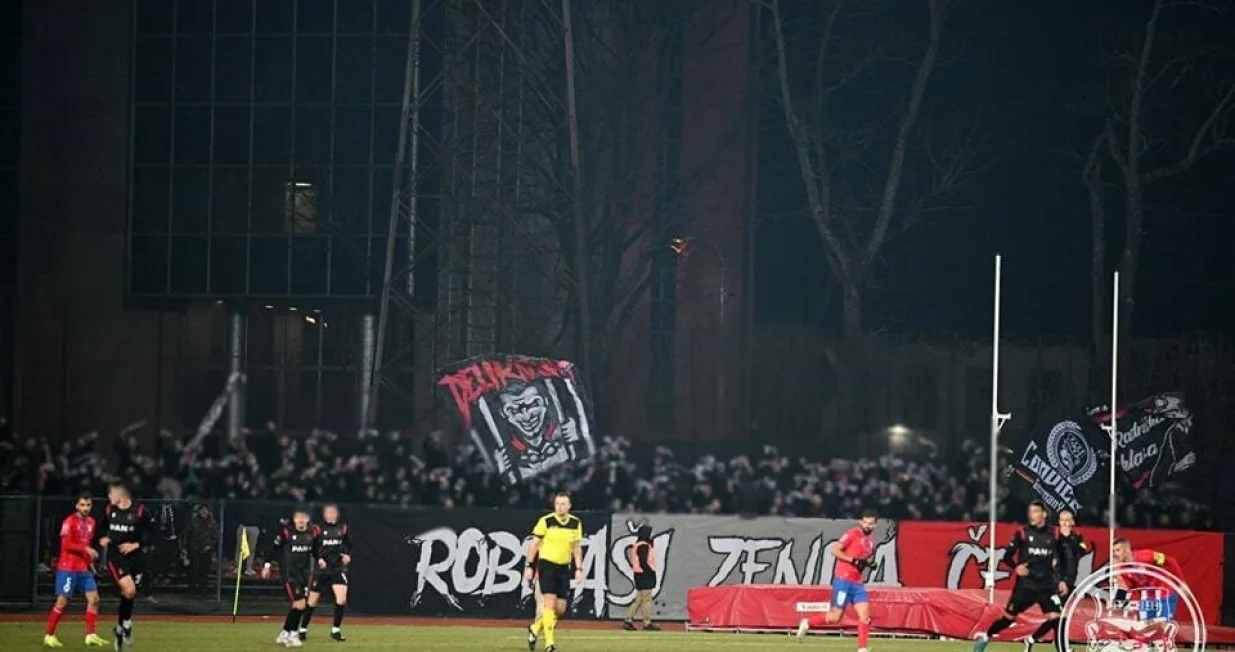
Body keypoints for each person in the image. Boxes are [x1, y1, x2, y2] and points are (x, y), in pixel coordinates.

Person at [974, 500, 1069, 652]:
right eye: (1030, 511)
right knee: (1007, 619)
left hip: (1046, 586)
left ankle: (1060, 648)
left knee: (1058, 618)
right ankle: (986, 636)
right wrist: (1016, 567)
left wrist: (1062, 580)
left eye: (1035, 511)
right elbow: (1006, 556)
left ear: (1044, 514)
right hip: (1026, 585)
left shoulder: (1055, 534)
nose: (1032, 515)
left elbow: (1064, 557)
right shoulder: (1023, 533)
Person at [799, 510, 877, 648]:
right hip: (843, 580)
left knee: (865, 615)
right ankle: (808, 622)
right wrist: (852, 560)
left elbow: (861, 560)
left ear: (875, 525)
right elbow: (835, 550)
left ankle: (862, 648)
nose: (867, 525)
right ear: (861, 522)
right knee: (836, 617)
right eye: (865, 522)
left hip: (857, 582)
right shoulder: (852, 534)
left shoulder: (870, 542)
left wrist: (867, 564)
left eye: (870, 523)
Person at [44, 493, 109, 648]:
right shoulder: (70, 521)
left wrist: (89, 563)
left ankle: (90, 635)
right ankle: (49, 635)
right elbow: (66, 545)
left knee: (94, 599)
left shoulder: (92, 522)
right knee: (62, 602)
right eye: (82, 505)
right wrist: (86, 549)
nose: (85, 508)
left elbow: (84, 544)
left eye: (88, 505)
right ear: (77, 506)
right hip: (68, 568)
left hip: (83, 568)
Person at [524, 492, 584, 652]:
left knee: (560, 608)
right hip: (547, 566)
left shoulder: (575, 523)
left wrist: (579, 568)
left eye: (563, 504)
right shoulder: (546, 521)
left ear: (569, 506)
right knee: (549, 603)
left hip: (564, 567)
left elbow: (576, 548)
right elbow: (534, 545)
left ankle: (535, 628)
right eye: (557, 504)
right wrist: (529, 565)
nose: (560, 507)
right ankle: (549, 644)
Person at [99, 482, 154, 652]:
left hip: (135, 559)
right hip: (116, 558)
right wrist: (103, 538)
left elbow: (152, 533)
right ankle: (126, 624)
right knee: (129, 590)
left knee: (128, 594)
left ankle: (121, 627)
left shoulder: (140, 511)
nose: (109, 498)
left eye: (111, 494)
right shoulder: (109, 510)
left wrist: (135, 545)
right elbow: (101, 529)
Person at [262, 507, 315, 648]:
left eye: (304, 517)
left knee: (297, 606)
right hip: (289, 574)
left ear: (308, 519)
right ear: (294, 519)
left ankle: (285, 632)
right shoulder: (287, 532)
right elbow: (273, 548)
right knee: (301, 604)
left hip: (303, 575)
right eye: (298, 517)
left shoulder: (312, 533)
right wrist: (267, 566)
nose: (301, 520)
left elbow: (316, 551)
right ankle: (293, 635)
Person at [303, 504, 351, 642]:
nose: (330, 515)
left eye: (333, 512)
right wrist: (319, 559)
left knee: (341, 599)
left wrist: (347, 555)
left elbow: (349, 545)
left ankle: (335, 630)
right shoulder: (318, 529)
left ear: (336, 514)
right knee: (312, 602)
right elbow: (312, 548)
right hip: (321, 570)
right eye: (328, 513)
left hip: (337, 569)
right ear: (324, 515)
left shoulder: (343, 528)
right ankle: (303, 629)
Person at [1112, 538, 1185, 623]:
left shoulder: (1147, 556)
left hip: (1166, 593)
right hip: (1150, 597)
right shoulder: (1123, 570)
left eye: (1118, 550)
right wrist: (1137, 611)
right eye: (1113, 551)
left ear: (1127, 549)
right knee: (1146, 626)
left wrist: (1181, 582)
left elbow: (1170, 561)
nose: (1115, 554)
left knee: (1164, 624)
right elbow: (1134, 590)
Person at [621, 523, 658, 631]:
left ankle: (628, 620)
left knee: (638, 599)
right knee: (646, 599)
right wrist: (651, 572)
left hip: (638, 574)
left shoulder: (638, 544)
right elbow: (644, 561)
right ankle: (647, 623)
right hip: (645, 574)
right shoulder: (644, 545)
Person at [1055, 509, 1088, 597]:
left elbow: (1082, 552)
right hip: (1056, 576)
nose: (1064, 523)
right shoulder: (1054, 536)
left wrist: (1070, 540)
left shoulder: (1077, 537)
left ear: (1072, 522)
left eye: (1067, 520)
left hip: (1072, 576)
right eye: (1062, 520)